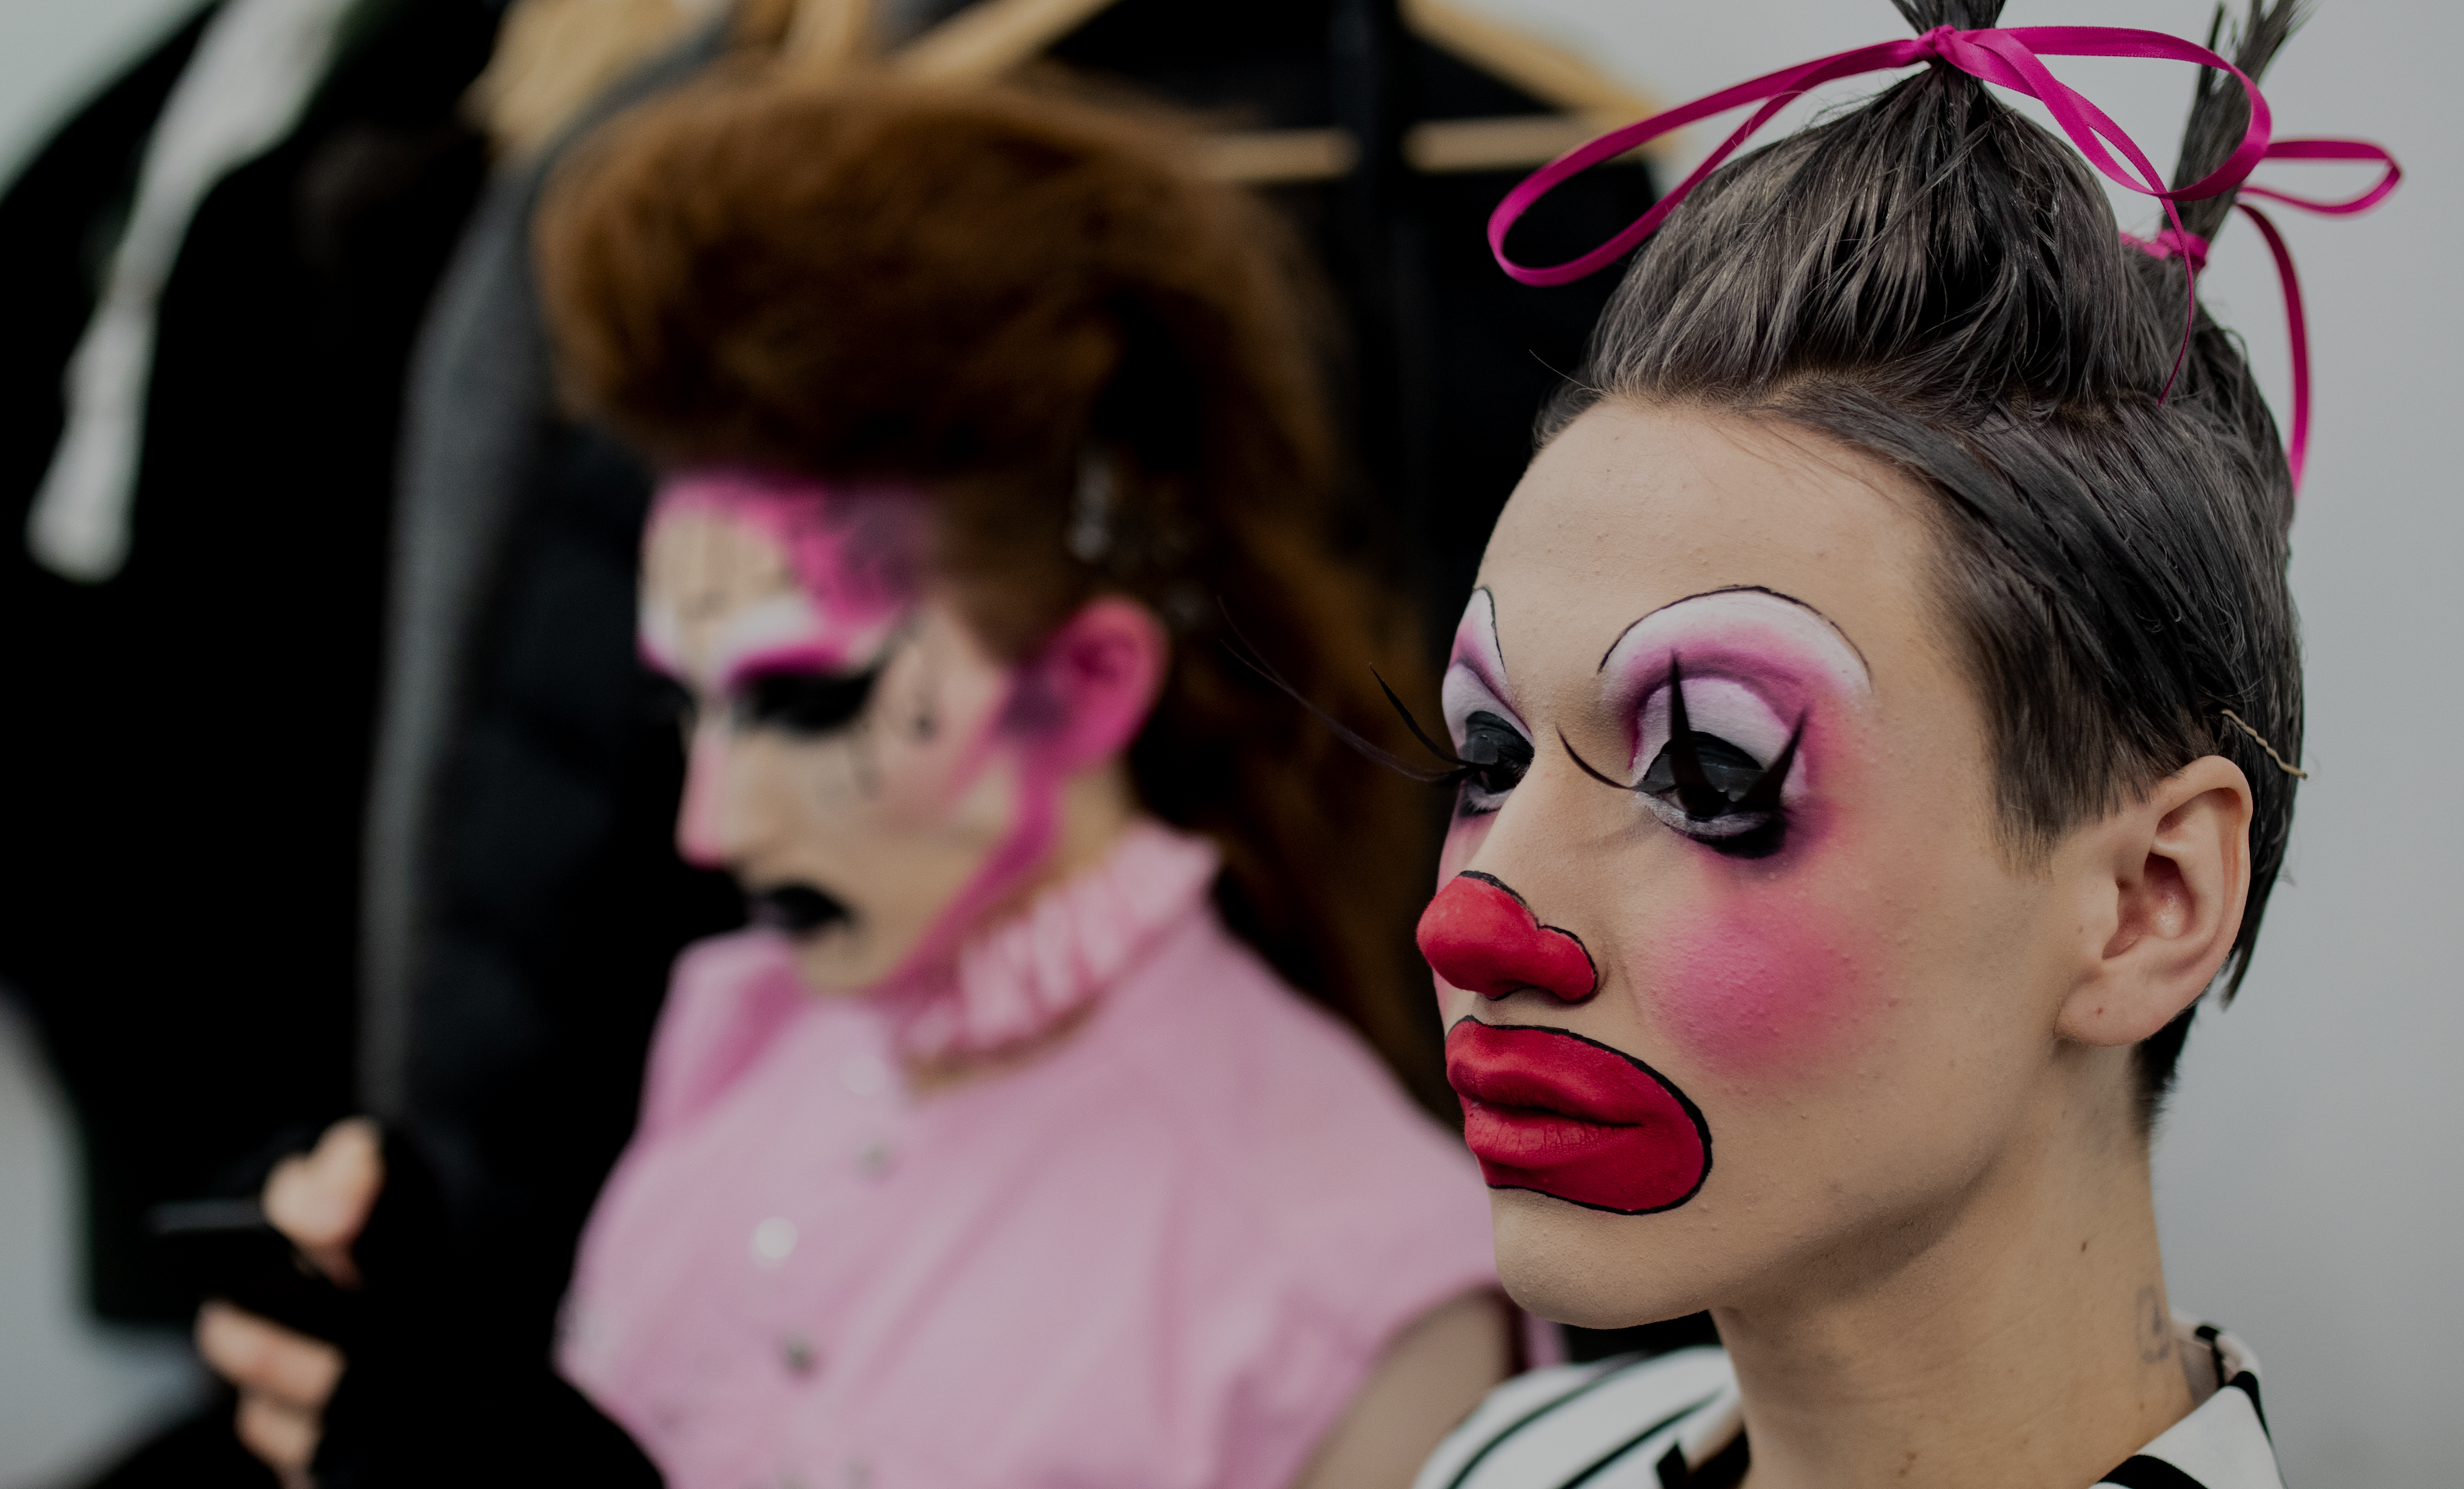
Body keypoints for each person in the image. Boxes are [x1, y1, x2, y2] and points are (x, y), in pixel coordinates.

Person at [201, 78, 1515, 1488]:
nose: (713, 827)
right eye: (687, 707)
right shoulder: (747, 1029)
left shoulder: (1359, 1289)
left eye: (802, 702)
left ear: (1083, 685)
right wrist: (436, 1337)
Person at [1398, 2, 2393, 1485]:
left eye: (1710, 777)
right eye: (1489, 758)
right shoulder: (1509, 1458)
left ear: (2148, 901)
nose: (1471, 922)